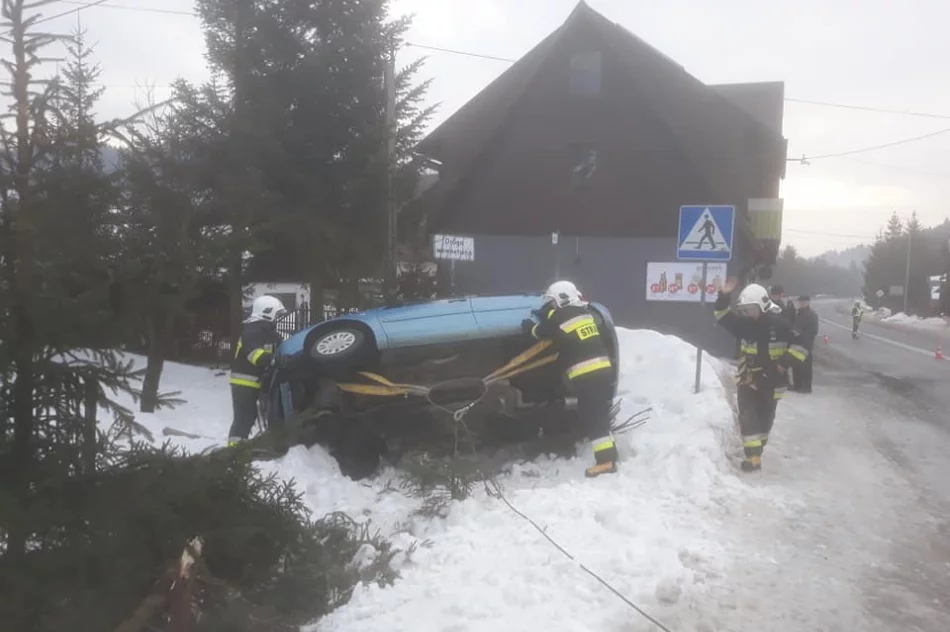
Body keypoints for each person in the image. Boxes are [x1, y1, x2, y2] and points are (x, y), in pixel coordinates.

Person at [522, 280, 618, 478]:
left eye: (552, 302)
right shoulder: (586, 314)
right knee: (599, 414)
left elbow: (539, 332)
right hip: (603, 371)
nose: (551, 305)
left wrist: (530, 326)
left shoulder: (559, 316)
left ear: (561, 299)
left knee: (593, 418)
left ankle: (605, 462)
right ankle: (610, 456)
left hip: (587, 376)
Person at [713, 279, 809, 472]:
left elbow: (803, 344)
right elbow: (721, 315)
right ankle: (753, 457)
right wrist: (723, 295)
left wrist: (785, 362)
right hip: (748, 379)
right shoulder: (744, 324)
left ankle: (758, 449)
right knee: (747, 414)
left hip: (772, 381)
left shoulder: (780, 326)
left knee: (765, 417)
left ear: (762, 306)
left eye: (750, 308)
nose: (747, 313)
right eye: (745, 309)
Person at [228, 295, 287, 446]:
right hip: (243, 382)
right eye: (276, 315)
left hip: (255, 382)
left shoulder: (268, 332)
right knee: (243, 418)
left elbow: (280, 346)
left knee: (250, 416)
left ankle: (239, 448)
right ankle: (232, 452)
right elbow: (254, 354)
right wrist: (274, 360)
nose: (277, 319)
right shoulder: (253, 330)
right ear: (267, 312)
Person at [792, 295, 819, 393]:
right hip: (796, 343)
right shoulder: (798, 313)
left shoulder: (811, 315)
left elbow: (813, 330)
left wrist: (801, 334)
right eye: (800, 302)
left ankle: (806, 387)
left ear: (808, 302)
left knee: (806, 367)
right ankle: (797, 385)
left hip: (806, 344)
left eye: (804, 302)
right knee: (796, 365)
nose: (802, 304)